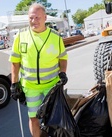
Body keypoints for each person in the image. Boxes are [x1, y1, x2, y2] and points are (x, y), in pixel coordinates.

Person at [8, 3, 68, 137]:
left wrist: (63, 73)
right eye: (31, 18)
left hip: (52, 85)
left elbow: (63, 58)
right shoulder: (21, 36)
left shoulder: (55, 37)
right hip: (30, 87)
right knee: (33, 117)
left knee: (54, 117)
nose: (33, 21)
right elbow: (15, 61)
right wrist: (14, 83)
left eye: (37, 18)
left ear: (45, 18)